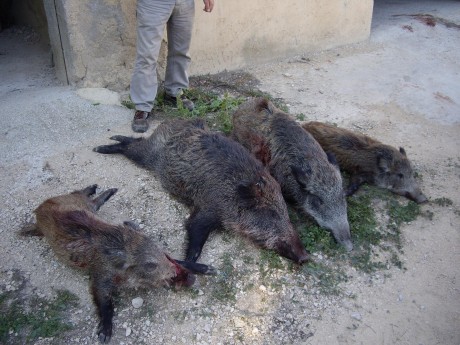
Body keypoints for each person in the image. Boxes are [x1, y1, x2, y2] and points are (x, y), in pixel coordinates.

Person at [130, 0, 215, 133]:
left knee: (181, 51)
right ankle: (143, 106)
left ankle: (174, 92)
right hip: (153, 4)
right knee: (147, 57)